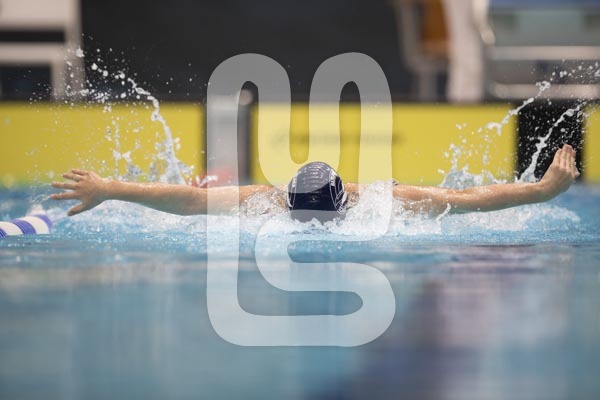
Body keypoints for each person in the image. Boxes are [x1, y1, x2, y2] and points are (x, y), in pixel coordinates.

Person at [51, 144, 579, 222]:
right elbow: (466, 200)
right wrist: (540, 191)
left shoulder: (266, 205)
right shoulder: (380, 207)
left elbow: (191, 201)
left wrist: (110, 187)